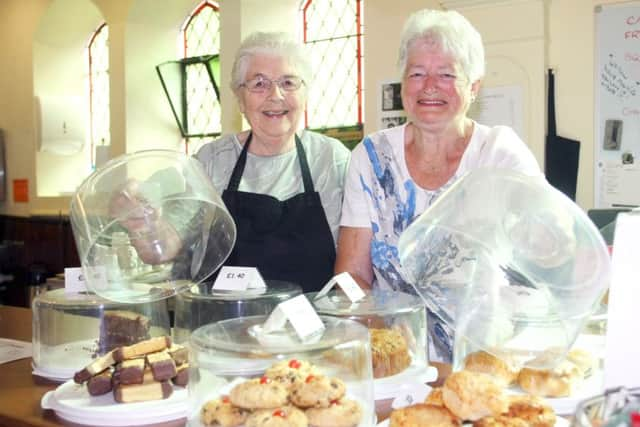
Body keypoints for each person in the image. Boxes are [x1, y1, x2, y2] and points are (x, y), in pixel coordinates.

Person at [334, 9, 541, 363]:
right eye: (417, 73)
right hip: (395, 358)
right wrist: (379, 336)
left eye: (447, 74)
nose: (429, 86)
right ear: (402, 83)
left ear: (473, 86)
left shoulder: (500, 155)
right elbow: (350, 277)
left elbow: (538, 261)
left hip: (482, 359)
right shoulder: (370, 157)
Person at [109, 32, 350, 293]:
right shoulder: (211, 161)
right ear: (240, 99)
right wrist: (143, 221)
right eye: (259, 84)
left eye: (288, 82)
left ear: (305, 93)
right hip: (222, 326)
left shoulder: (332, 160)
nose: (275, 95)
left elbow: (355, 262)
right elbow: (163, 248)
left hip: (313, 326)